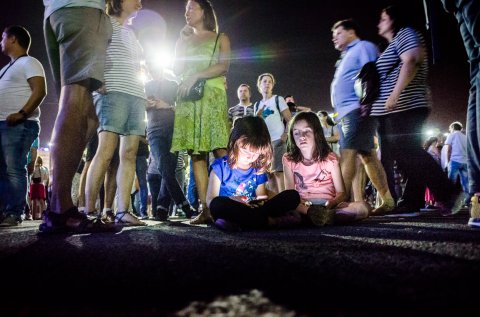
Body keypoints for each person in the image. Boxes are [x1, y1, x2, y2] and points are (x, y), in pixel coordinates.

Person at [370, 5, 463, 215]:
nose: (379, 23)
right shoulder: (393, 43)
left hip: (406, 105)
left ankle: (448, 192)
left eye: (383, 19)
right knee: (403, 152)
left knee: (406, 150)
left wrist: (394, 95)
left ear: (394, 20)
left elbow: (411, 59)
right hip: (395, 108)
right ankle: (412, 201)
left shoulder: (406, 33)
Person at [40, 0, 114, 233]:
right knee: (76, 101)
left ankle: (58, 203)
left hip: (60, 11)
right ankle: (59, 209)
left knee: (88, 113)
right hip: (82, 10)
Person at [83, 0, 146, 226]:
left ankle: (121, 210)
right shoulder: (105, 22)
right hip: (113, 92)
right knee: (106, 151)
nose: (139, 1)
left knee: (128, 155)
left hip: (136, 95)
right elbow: (90, 48)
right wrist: (94, 79)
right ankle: (90, 211)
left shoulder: (131, 32)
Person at [171, 0, 231, 224]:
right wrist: (180, 43)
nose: (187, 12)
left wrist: (196, 75)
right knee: (196, 153)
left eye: (192, 7)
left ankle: (229, 199)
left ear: (204, 11)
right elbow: (177, 69)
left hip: (212, 96)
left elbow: (223, 66)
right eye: (185, 9)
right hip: (188, 98)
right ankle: (206, 209)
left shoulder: (220, 37)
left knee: (219, 148)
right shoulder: (183, 40)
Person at [330, 19, 395, 214]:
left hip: (357, 110)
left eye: (338, 32)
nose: (335, 37)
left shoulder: (363, 47)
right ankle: (388, 200)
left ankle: (337, 201)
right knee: (368, 156)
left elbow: (372, 73)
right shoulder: (345, 55)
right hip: (347, 112)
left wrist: (367, 103)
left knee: (347, 152)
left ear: (351, 32)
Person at [207, 116, 300, 232]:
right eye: (245, 150)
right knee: (217, 204)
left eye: (255, 153)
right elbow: (210, 200)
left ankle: (244, 223)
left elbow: (261, 196)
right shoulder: (219, 166)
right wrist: (232, 199)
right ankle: (271, 222)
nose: (249, 157)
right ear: (234, 142)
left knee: (292, 195)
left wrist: (259, 202)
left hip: (253, 210)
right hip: (231, 209)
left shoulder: (257, 168)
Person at [283, 112, 370, 226]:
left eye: (307, 131)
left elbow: (341, 192)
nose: (302, 136)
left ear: (316, 133)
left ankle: (327, 217)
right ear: (292, 136)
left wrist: (332, 203)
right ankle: (315, 218)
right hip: (302, 207)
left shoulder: (330, 158)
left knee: (362, 207)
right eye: (296, 133)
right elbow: (290, 195)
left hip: (328, 205)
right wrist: (303, 207)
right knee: (287, 212)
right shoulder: (288, 159)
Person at [0, 25, 46, 227]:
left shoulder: (30, 62)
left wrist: (22, 113)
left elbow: (40, 91)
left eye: (3, 37)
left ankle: (15, 212)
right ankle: (6, 211)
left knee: (14, 169)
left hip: (20, 125)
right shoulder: (6, 68)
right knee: (3, 170)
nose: (1, 41)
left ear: (12, 39)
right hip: (4, 125)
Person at [441, 0, 480, 227]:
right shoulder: (457, 135)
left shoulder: (454, 135)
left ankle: (477, 197)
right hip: (459, 160)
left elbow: (446, 147)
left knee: (476, 72)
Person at [145, 71, 195, 221]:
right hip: (155, 132)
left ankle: (162, 208)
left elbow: (184, 108)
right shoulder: (146, 86)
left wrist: (167, 106)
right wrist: (146, 104)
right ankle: (185, 205)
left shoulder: (173, 85)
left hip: (175, 131)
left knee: (169, 170)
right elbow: (138, 104)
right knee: (164, 168)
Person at [254, 73, 292, 196]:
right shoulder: (256, 105)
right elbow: (256, 124)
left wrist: (285, 134)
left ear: (272, 85)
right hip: (264, 143)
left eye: (270, 82)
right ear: (259, 85)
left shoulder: (278, 99)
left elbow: (289, 119)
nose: (267, 84)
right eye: (264, 81)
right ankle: (274, 202)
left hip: (277, 140)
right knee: (268, 174)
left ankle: (284, 202)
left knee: (279, 173)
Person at [444, 121, 469, 204]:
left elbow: (448, 149)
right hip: (465, 161)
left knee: (451, 181)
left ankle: (450, 201)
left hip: (455, 160)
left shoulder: (452, 135)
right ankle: (468, 201)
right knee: (466, 183)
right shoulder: (465, 137)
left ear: (453, 128)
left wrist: (448, 162)